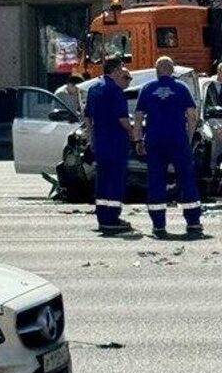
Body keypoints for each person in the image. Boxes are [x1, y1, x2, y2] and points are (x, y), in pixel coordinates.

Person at [134, 56, 202, 237]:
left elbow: (138, 118)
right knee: (186, 179)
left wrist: (138, 140)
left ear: (156, 70)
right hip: (177, 139)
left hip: (155, 140)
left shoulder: (147, 89)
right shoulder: (181, 88)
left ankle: (158, 225)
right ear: (172, 70)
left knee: (156, 180)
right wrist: (187, 137)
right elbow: (192, 115)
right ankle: (193, 222)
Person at [83, 55, 136, 234]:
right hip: (115, 142)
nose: (123, 71)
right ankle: (112, 219)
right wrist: (132, 133)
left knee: (102, 181)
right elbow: (122, 119)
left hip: (100, 142)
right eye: (121, 68)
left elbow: (88, 117)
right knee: (115, 181)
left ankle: (102, 216)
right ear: (114, 70)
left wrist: (91, 138)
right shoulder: (115, 90)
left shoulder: (94, 88)